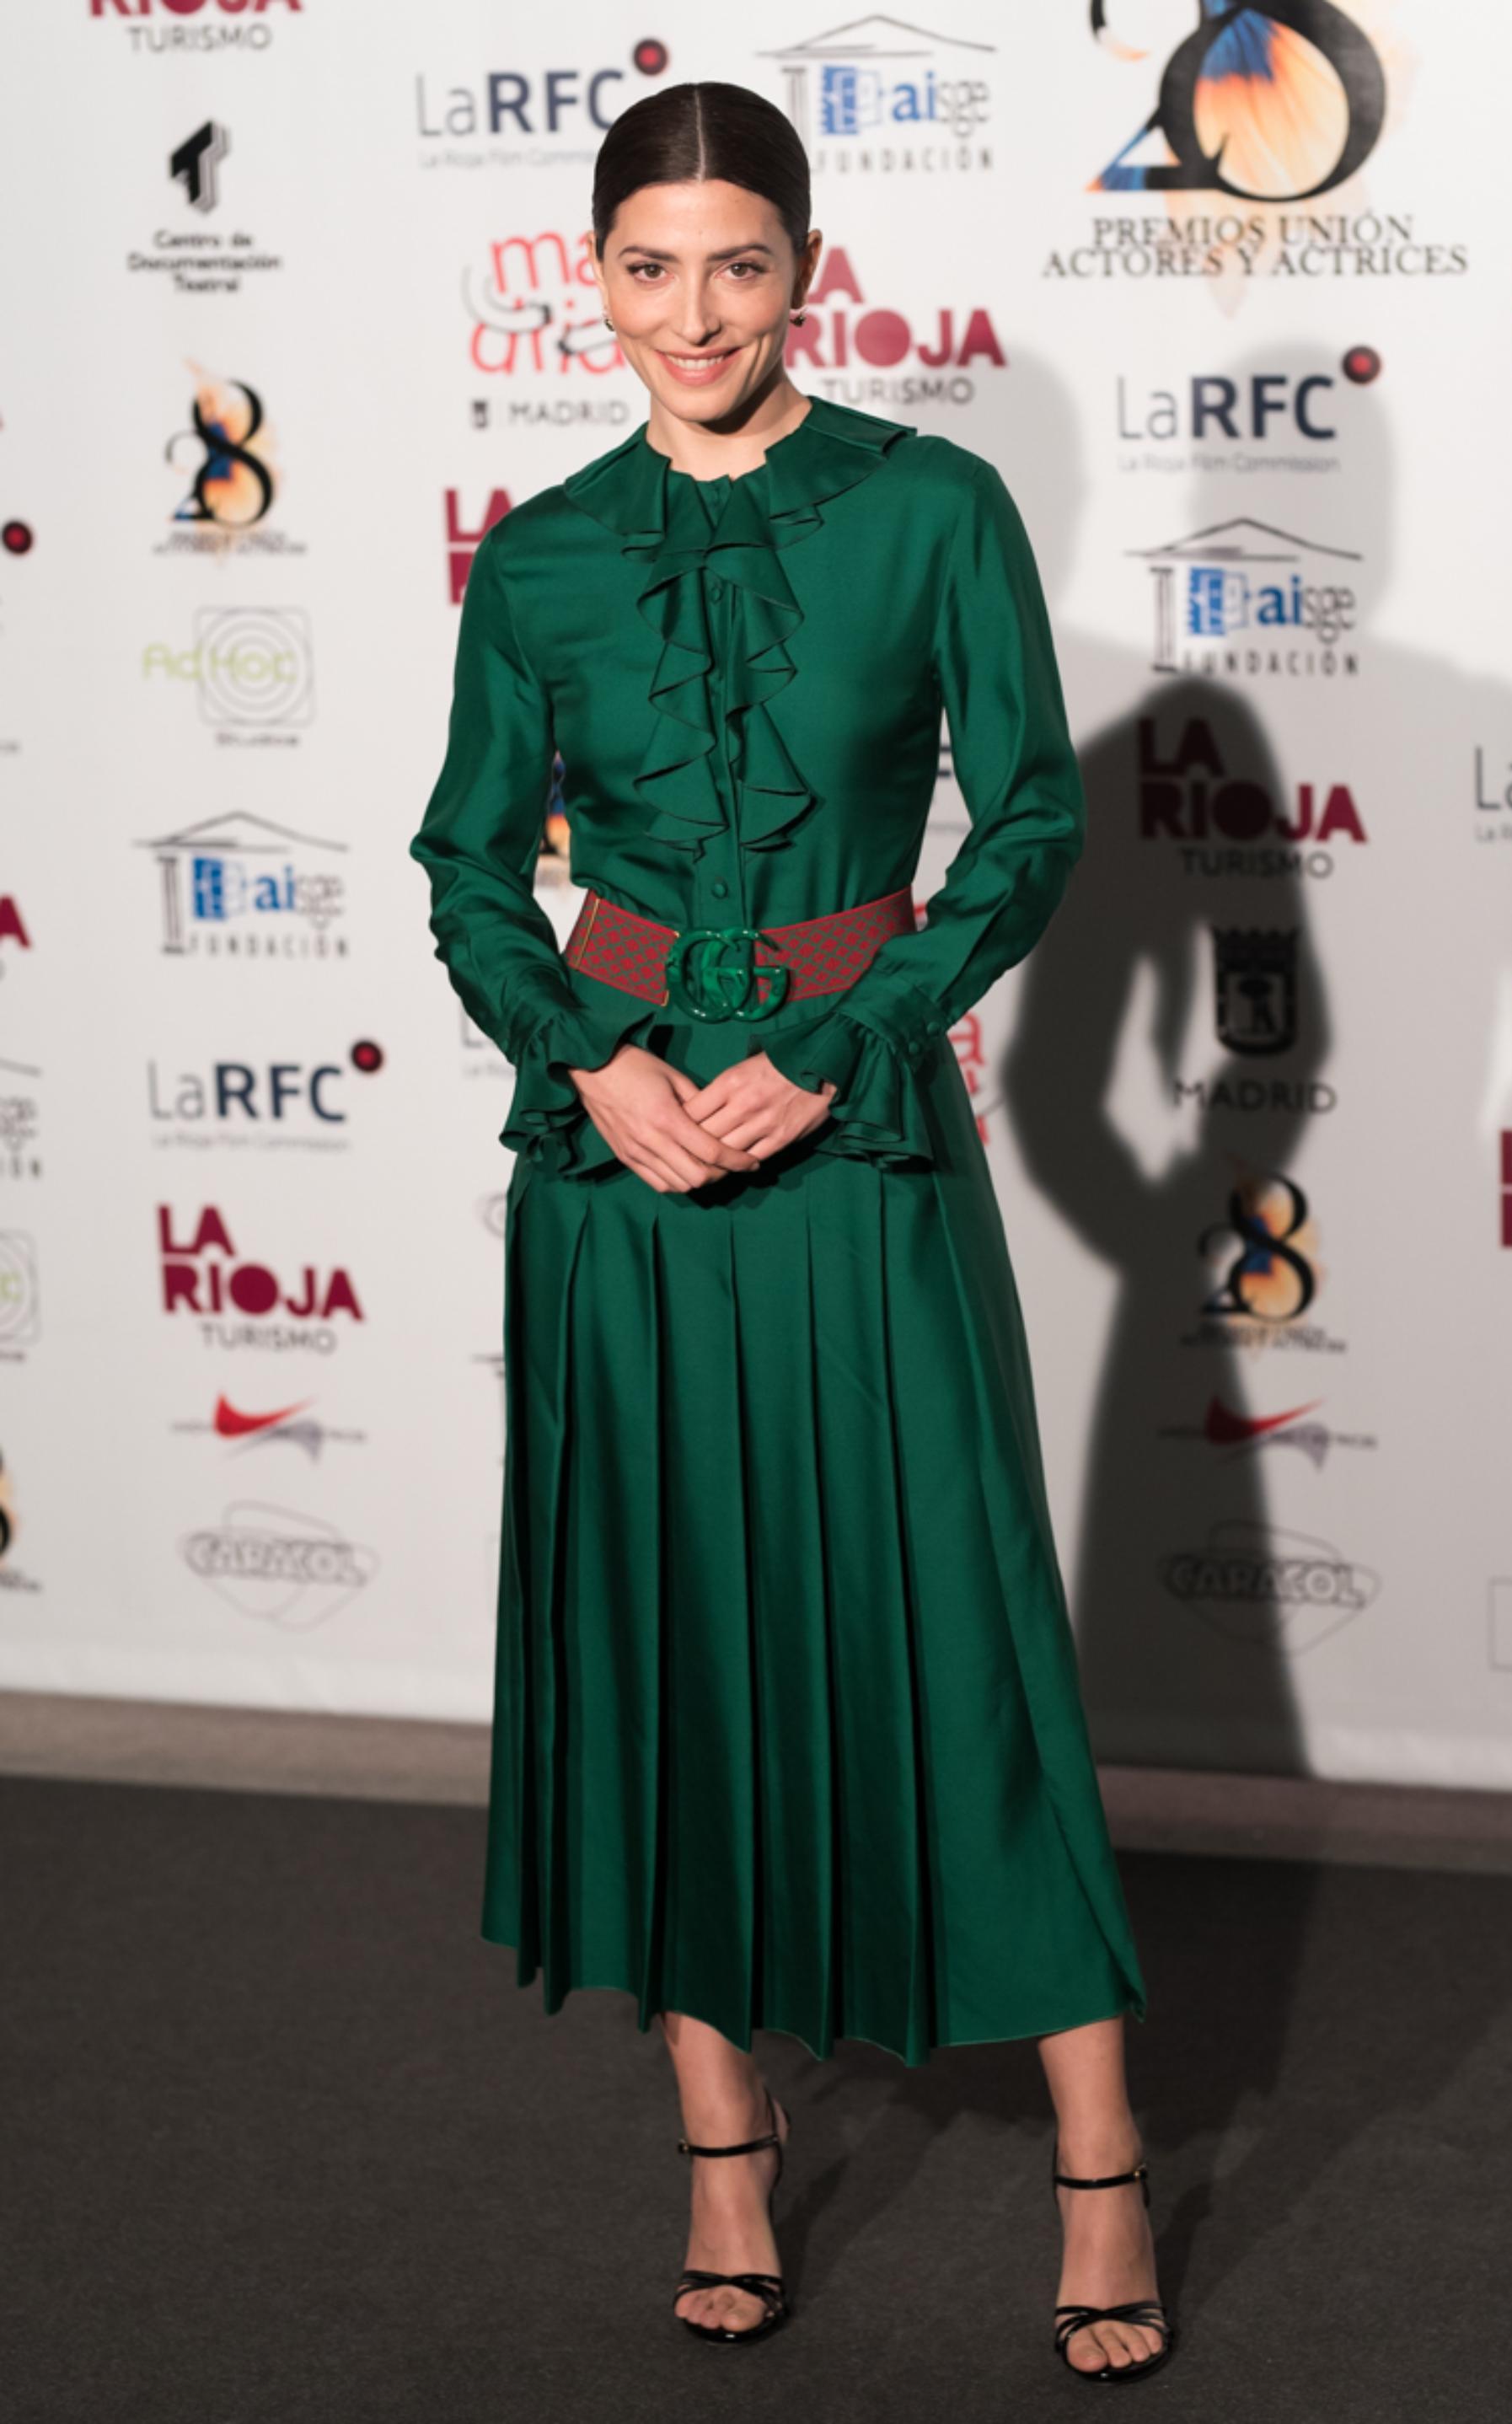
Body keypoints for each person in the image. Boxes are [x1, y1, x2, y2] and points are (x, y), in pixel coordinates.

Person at [409, 79, 1174, 2386]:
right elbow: (467, 864)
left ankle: (1103, 2152)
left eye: (739, 264)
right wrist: (589, 1061)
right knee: (665, 1635)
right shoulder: (539, 555)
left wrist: (856, 1039)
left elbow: (1026, 825)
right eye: (651, 269)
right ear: (592, 280)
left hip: (859, 1144)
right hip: (623, 1173)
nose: (696, 313)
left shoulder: (934, 509)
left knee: (958, 1624)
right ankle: (724, 2155)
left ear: (807, 271)